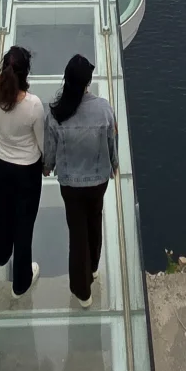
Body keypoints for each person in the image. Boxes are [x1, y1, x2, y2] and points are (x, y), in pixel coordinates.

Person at [43, 53, 118, 306]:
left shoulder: (56, 113)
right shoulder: (104, 108)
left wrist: (48, 167)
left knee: (77, 232)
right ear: (87, 82)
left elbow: (50, 151)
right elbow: (111, 141)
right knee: (95, 219)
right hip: (98, 181)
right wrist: (114, 164)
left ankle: (82, 291)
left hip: (70, 184)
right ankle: (94, 266)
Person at [0, 45, 44, 297]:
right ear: (25, 74)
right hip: (28, 170)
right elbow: (41, 142)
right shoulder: (33, 105)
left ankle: (1, 253)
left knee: (0, 211)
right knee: (24, 224)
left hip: (2, 165)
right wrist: (47, 163)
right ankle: (21, 283)